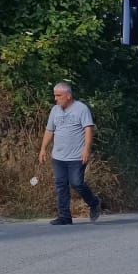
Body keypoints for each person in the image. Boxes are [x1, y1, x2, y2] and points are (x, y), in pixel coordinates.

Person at [38, 80, 100, 225]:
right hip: (58, 156)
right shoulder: (55, 110)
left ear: (68, 96)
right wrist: (43, 149)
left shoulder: (81, 109)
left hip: (76, 156)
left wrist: (86, 149)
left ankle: (94, 202)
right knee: (61, 185)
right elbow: (49, 130)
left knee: (77, 183)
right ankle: (64, 216)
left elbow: (88, 129)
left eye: (58, 95)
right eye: (55, 95)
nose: (55, 98)